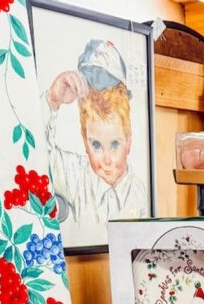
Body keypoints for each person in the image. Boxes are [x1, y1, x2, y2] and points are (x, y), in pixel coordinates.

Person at [43, 39, 148, 226]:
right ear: (85, 142)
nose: (107, 160)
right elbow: (37, 156)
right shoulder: (74, 176)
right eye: (96, 145)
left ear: (129, 140)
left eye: (115, 144)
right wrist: (52, 100)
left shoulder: (139, 192)